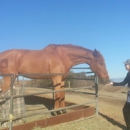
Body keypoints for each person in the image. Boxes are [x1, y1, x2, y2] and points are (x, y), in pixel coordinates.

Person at [106, 59, 130, 130]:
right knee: (125, 110)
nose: (125, 66)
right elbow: (123, 83)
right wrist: (112, 83)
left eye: (126, 64)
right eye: (124, 65)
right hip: (129, 95)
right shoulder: (128, 74)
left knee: (126, 110)